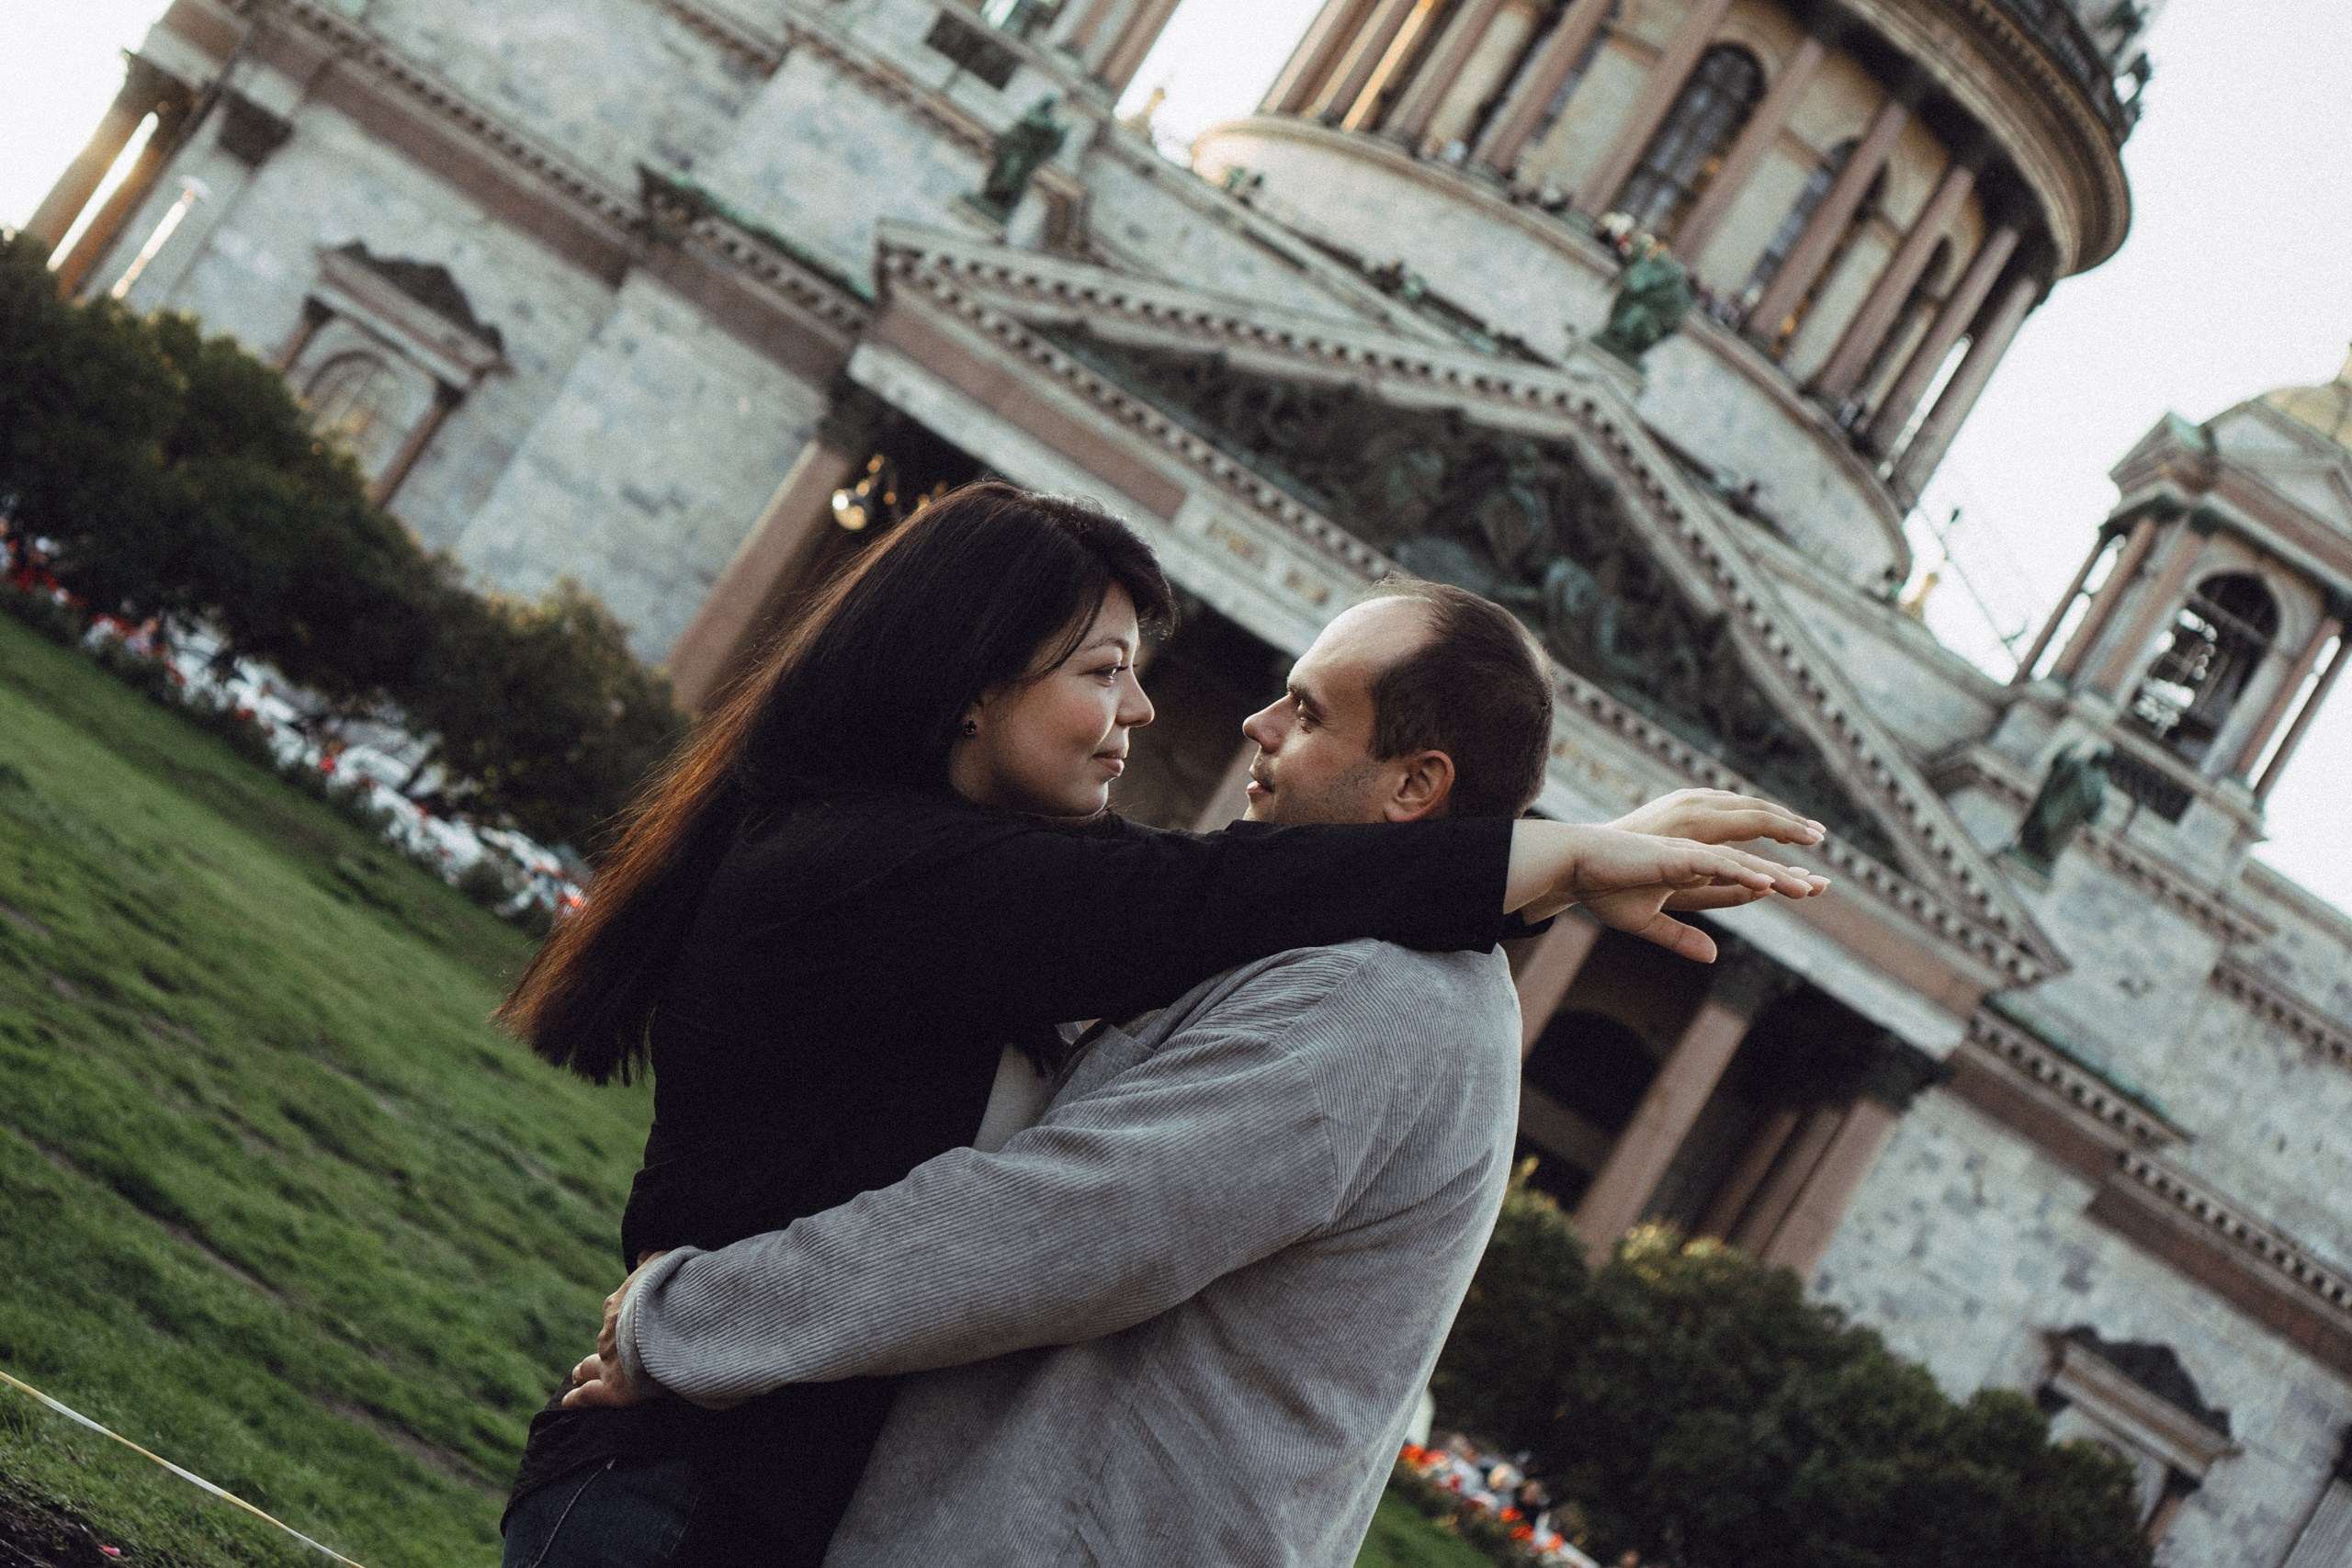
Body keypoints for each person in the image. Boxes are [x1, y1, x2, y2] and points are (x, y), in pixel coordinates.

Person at [558, 580, 1827, 1566]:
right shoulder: (1357, 969)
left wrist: (694, 1320)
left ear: (1415, 787)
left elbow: (1061, 1224)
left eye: (1312, 710)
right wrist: (1547, 871)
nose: (1256, 725)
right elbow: (1171, 911)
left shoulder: (1373, 1005)